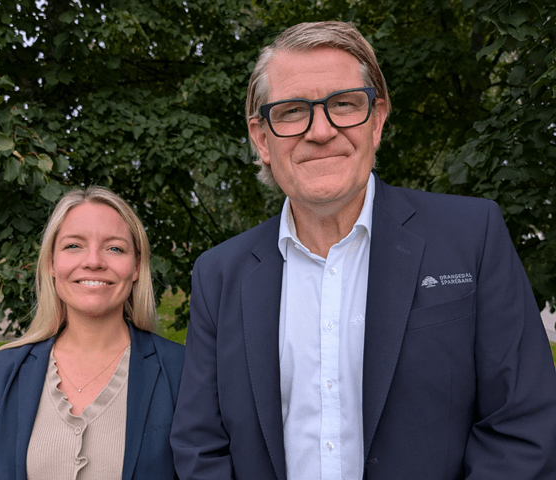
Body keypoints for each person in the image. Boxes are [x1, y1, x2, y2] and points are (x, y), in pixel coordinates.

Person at [170, 21, 556, 480]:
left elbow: (523, 426)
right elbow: (200, 445)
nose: (320, 131)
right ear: (261, 138)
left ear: (376, 120)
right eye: (292, 111)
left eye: (343, 104)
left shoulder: (472, 236)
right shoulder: (218, 275)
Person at [0, 186, 184, 479]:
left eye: (114, 248)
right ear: (52, 263)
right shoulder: (5, 371)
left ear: (136, 267)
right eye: (74, 246)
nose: (93, 261)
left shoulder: (180, 370)